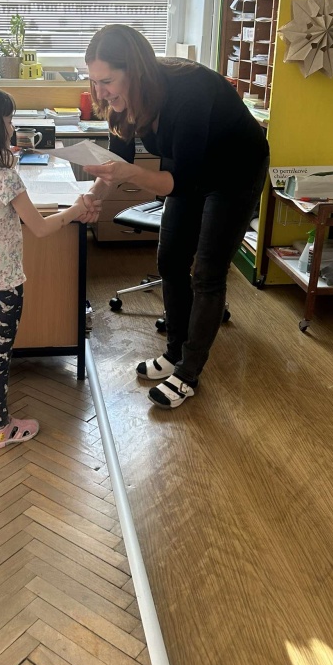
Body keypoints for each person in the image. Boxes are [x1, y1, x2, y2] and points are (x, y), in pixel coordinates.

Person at [81, 24, 269, 410]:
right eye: (94, 82)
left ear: (134, 70)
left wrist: (131, 174)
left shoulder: (188, 92)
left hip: (235, 173)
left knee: (207, 273)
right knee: (170, 260)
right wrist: (93, 197)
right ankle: (174, 352)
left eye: (107, 81)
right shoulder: (123, 100)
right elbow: (118, 160)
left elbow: (178, 181)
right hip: (188, 169)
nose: (100, 93)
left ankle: (188, 372)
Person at [0, 84, 99, 449]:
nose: (11, 127)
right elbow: (40, 228)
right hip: (5, 286)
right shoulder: (4, 177)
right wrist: (76, 210)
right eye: (8, 120)